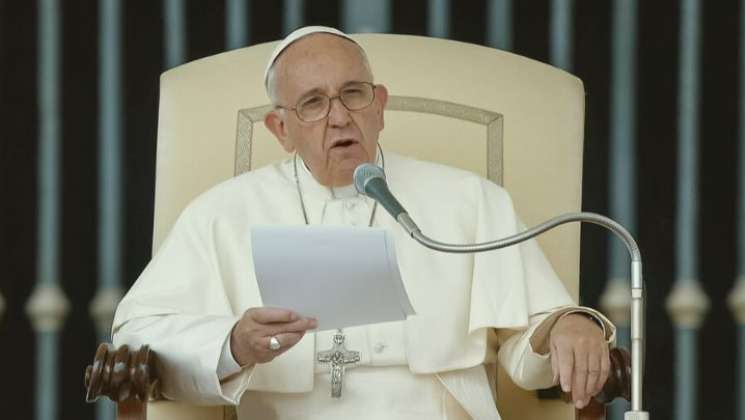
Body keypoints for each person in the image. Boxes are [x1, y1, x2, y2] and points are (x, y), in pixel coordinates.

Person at [113, 26, 614, 420]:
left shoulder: (471, 200)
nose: (338, 117)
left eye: (353, 94)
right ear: (280, 129)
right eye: (312, 103)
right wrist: (231, 344)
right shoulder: (221, 213)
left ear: (379, 105)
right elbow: (137, 335)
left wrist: (566, 325)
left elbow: (530, 339)